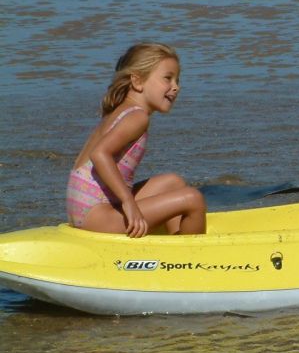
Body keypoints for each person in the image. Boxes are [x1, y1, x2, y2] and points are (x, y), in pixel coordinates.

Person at [66, 42, 206, 237]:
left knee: (174, 183)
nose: (176, 87)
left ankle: (176, 241)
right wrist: (129, 203)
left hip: (88, 207)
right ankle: (188, 258)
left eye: (177, 80)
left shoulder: (122, 111)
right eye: (168, 79)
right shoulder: (137, 117)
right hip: (96, 214)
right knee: (193, 199)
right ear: (138, 82)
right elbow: (99, 154)